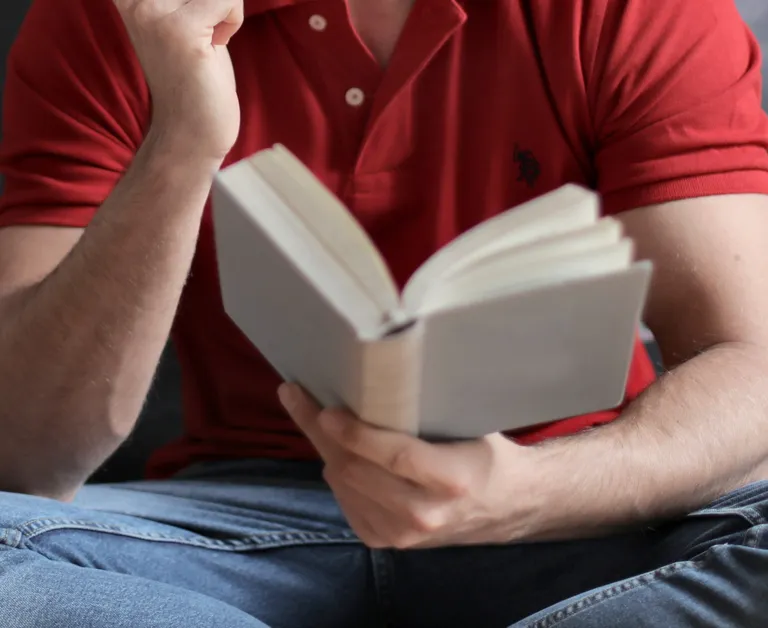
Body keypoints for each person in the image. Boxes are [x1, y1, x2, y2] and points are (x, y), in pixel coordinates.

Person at [0, 0, 767, 625]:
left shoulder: (635, 10)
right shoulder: (123, 15)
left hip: (574, 507)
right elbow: (28, 453)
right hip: (242, 524)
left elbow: (751, 366)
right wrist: (181, 142)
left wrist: (528, 494)